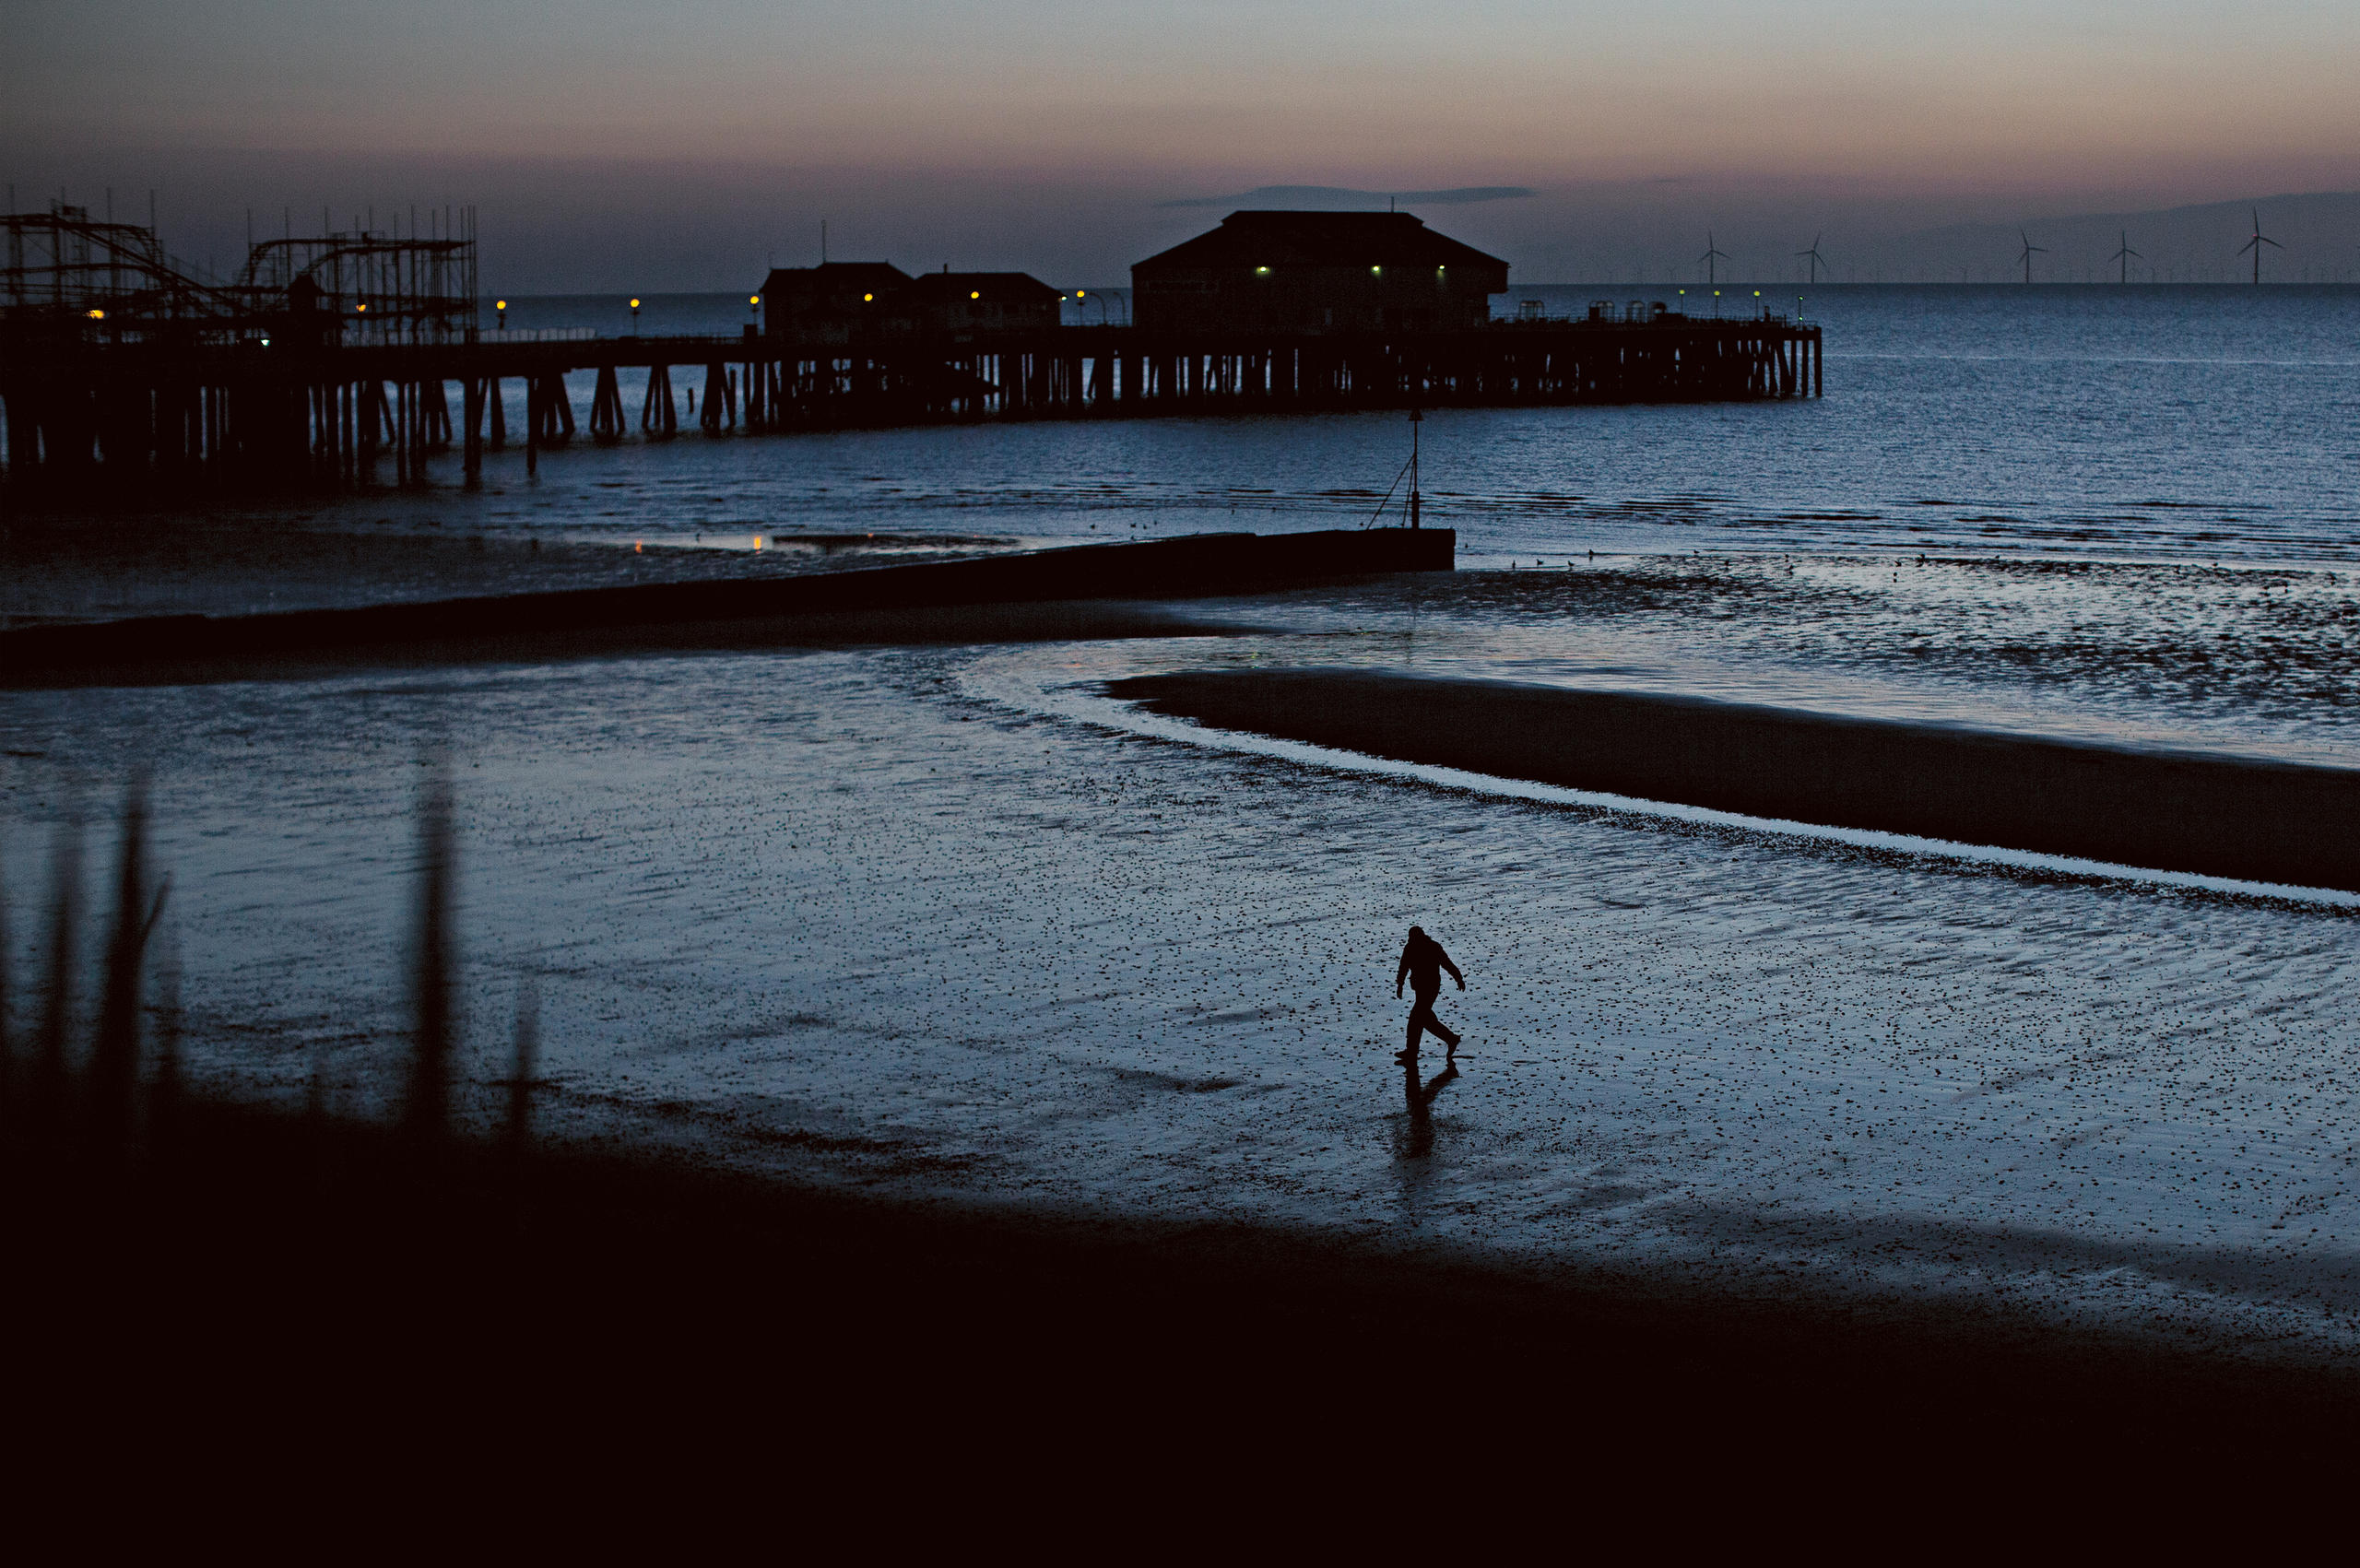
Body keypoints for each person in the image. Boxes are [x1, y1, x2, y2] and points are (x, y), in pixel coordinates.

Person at [1394, 925, 1465, 1061]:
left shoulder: (1430, 947)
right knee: (1423, 1019)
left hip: (1430, 988)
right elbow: (1403, 967)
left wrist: (1458, 978)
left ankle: (1413, 1051)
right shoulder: (1415, 947)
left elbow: (1446, 963)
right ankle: (1450, 1039)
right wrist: (1400, 984)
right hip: (1423, 989)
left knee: (1416, 1019)